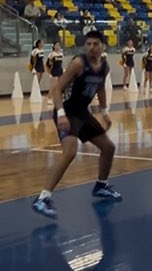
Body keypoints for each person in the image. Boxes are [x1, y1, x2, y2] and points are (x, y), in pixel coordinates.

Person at [32, 31, 121, 219]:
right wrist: (61, 114)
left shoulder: (104, 67)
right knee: (70, 152)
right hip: (67, 111)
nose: (91, 47)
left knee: (108, 147)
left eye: (95, 44)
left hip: (82, 112)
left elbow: (100, 87)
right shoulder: (79, 64)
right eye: (88, 44)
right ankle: (43, 198)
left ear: (102, 46)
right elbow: (57, 88)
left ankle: (101, 185)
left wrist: (104, 112)